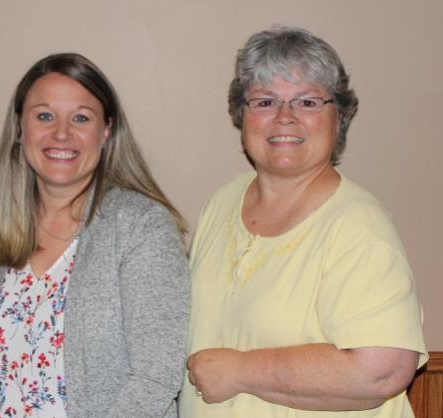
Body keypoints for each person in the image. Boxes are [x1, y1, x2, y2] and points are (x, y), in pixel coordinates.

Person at [180, 26, 428, 417]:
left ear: (339, 117)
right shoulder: (223, 203)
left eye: (308, 102)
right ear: (240, 115)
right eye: (264, 102)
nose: (284, 118)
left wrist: (239, 371)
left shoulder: (357, 226)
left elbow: (381, 371)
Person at [0, 52, 190, 418]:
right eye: (44, 116)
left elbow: (155, 376)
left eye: (81, 118)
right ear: (19, 128)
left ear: (106, 131)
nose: (62, 133)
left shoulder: (141, 227)